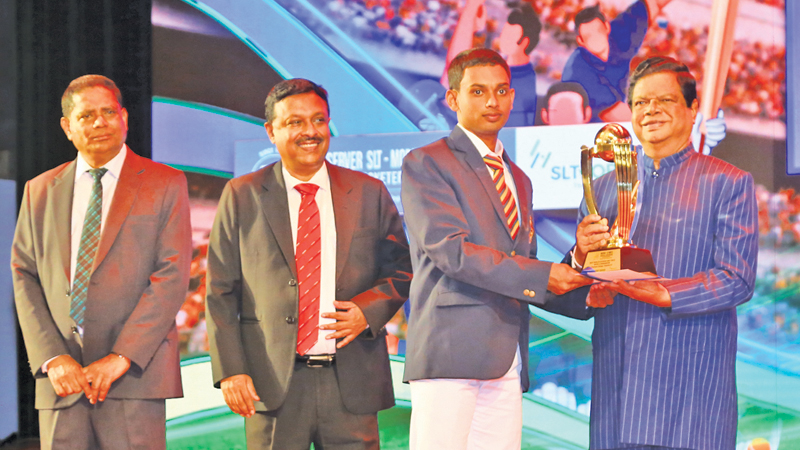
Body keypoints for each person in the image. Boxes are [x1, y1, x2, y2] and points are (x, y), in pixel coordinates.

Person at [550, 56, 757, 449]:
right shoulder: (605, 187)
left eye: (664, 100)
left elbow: (738, 279)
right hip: (617, 386)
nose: (651, 111)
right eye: (641, 103)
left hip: (691, 390)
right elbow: (579, 279)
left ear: (693, 109)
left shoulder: (728, 182)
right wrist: (582, 262)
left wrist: (665, 292)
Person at [205, 78, 412, 449]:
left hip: (352, 382)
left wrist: (368, 311)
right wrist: (232, 370)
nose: (310, 132)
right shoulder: (241, 196)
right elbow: (220, 291)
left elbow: (401, 269)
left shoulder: (368, 192)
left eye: (318, 120)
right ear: (271, 131)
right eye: (295, 122)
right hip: (273, 383)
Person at [401, 48, 590, 450]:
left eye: (502, 90)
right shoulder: (427, 162)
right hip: (450, 351)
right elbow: (451, 252)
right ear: (453, 99)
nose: (492, 101)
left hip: (507, 356)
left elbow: (524, 266)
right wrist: (542, 276)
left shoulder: (518, 178)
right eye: (479, 91)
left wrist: (580, 266)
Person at [11, 75, 192, 449]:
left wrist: (121, 356)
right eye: (87, 115)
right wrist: (53, 357)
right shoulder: (40, 189)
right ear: (67, 126)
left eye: (109, 112)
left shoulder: (165, 183)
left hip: (134, 377)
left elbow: (171, 275)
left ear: (124, 117)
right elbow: (24, 275)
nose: (99, 123)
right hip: (62, 381)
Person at [561, 0, 672, 123]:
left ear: (607, 28)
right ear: (580, 41)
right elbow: (615, 114)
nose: (596, 39)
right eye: (589, 37)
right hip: (588, 131)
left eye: (598, 31)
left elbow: (653, 4)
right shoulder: (578, 70)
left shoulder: (619, 36)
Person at [439, 0, 543, 127]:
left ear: (524, 42)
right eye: (504, 33)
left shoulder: (516, 79)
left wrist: (470, 11)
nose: (502, 38)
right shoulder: (516, 71)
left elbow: (456, 65)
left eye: (509, 35)